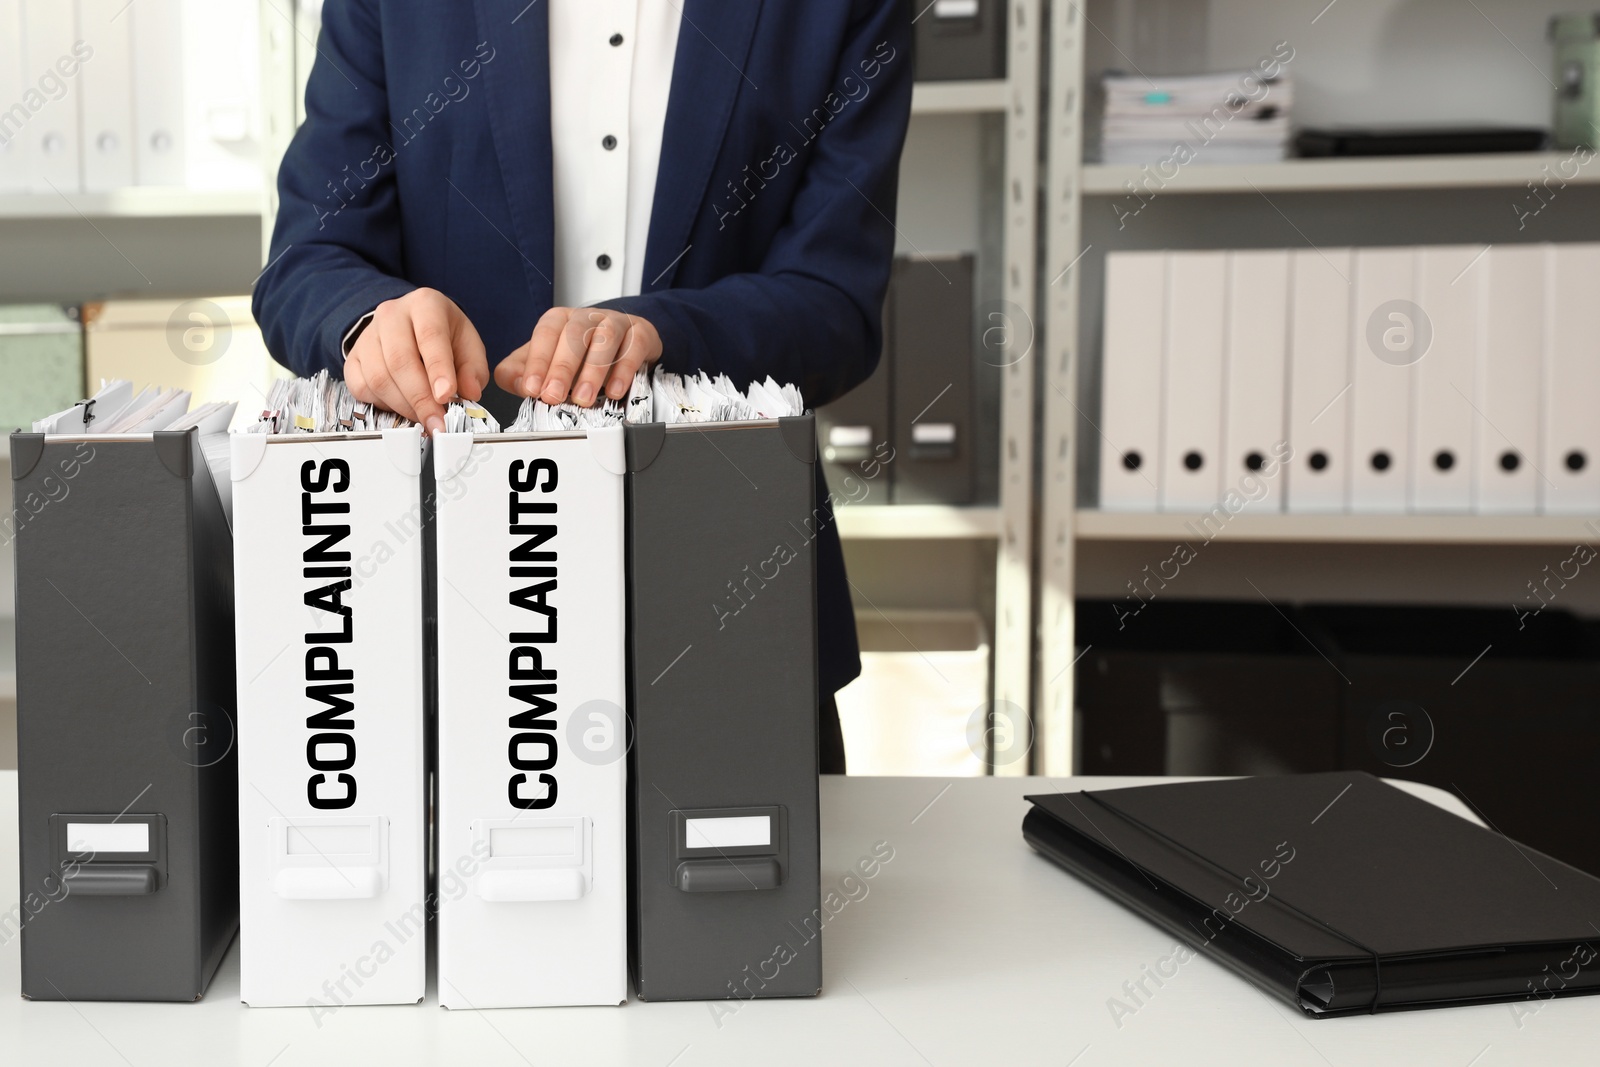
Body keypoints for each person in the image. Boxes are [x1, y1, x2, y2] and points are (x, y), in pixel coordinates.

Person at [252, 0, 914, 773]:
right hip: (447, 615)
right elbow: (307, 257)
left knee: (746, 883)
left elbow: (836, 302)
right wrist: (369, 320)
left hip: (733, 596)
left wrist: (668, 333)